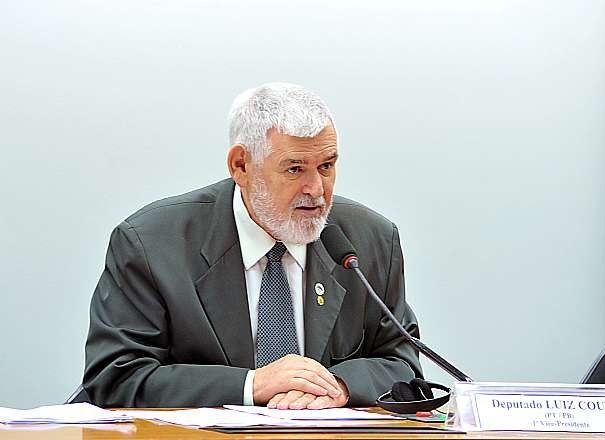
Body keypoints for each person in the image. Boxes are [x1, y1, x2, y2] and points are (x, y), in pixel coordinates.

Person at [83, 83, 422, 409]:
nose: (317, 189)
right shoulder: (151, 244)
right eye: (295, 169)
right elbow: (116, 377)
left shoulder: (370, 240)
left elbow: (403, 365)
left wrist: (338, 385)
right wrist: (252, 385)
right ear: (241, 166)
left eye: (326, 166)